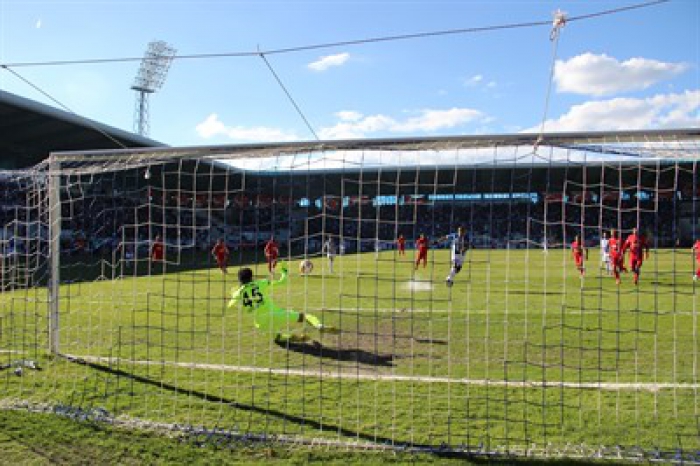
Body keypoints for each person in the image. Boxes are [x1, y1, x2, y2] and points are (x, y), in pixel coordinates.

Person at [228, 264, 338, 343]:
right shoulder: (260, 283)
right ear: (251, 277)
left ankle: (296, 338)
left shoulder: (238, 293)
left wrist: (234, 294)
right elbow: (282, 281)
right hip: (276, 314)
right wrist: (284, 271)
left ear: (239, 279)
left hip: (261, 324)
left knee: (278, 338)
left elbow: (230, 305)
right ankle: (319, 326)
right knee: (304, 316)